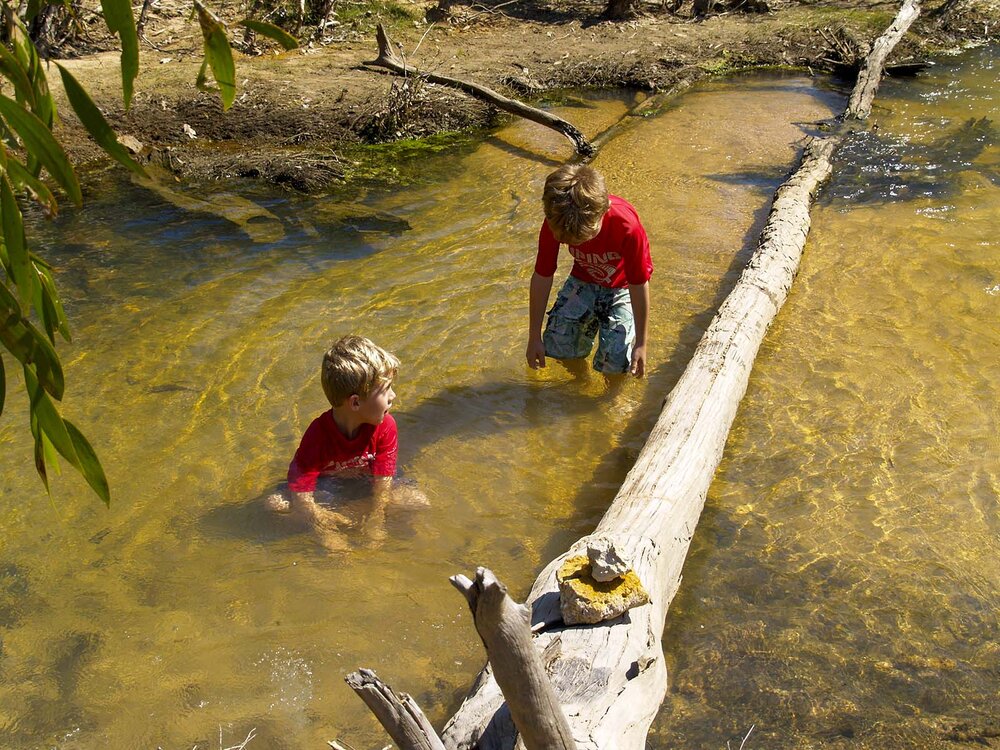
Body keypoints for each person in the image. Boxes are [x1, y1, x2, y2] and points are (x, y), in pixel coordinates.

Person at [266, 335, 421, 550]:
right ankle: (340, 517)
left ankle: (352, 513)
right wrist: (323, 529)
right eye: (386, 390)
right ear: (355, 402)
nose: (393, 395)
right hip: (328, 486)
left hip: (366, 482)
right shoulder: (318, 434)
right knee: (275, 504)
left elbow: (384, 479)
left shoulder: (386, 426)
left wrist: (376, 521)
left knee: (417, 500)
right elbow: (301, 484)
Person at [525, 164, 652, 378]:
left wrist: (641, 343)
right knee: (557, 343)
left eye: (583, 239)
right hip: (583, 278)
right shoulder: (556, 220)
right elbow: (543, 275)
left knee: (617, 359)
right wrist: (533, 335)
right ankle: (579, 384)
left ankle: (609, 402)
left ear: (603, 212)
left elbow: (638, 284)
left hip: (622, 286)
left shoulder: (627, 227)